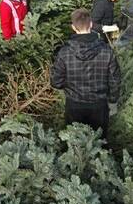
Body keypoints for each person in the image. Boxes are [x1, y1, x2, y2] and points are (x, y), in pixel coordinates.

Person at [51, 8, 121, 136]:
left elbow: (56, 82)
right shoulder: (107, 51)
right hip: (99, 105)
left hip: (74, 105)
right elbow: (115, 80)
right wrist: (113, 101)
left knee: (75, 146)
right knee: (99, 145)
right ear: (91, 24)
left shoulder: (64, 53)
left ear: (73, 27)